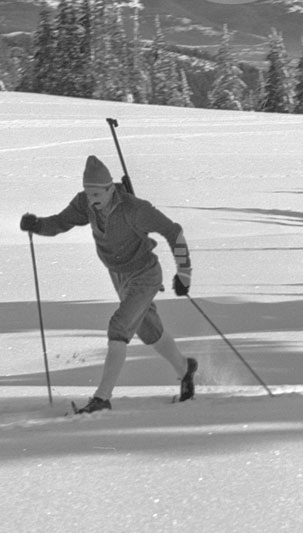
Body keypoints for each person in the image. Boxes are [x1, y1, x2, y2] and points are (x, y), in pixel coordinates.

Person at [20, 154, 197, 413]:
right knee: (148, 332)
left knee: (119, 327)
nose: (92, 200)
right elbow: (61, 222)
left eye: (97, 194)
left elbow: (174, 231)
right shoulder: (85, 204)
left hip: (144, 276)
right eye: (88, 193)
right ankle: (185, 370)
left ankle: (102, 400)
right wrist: (38, 225)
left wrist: (185, 273)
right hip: (119, 276)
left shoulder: (134, 209)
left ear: (110, 188)